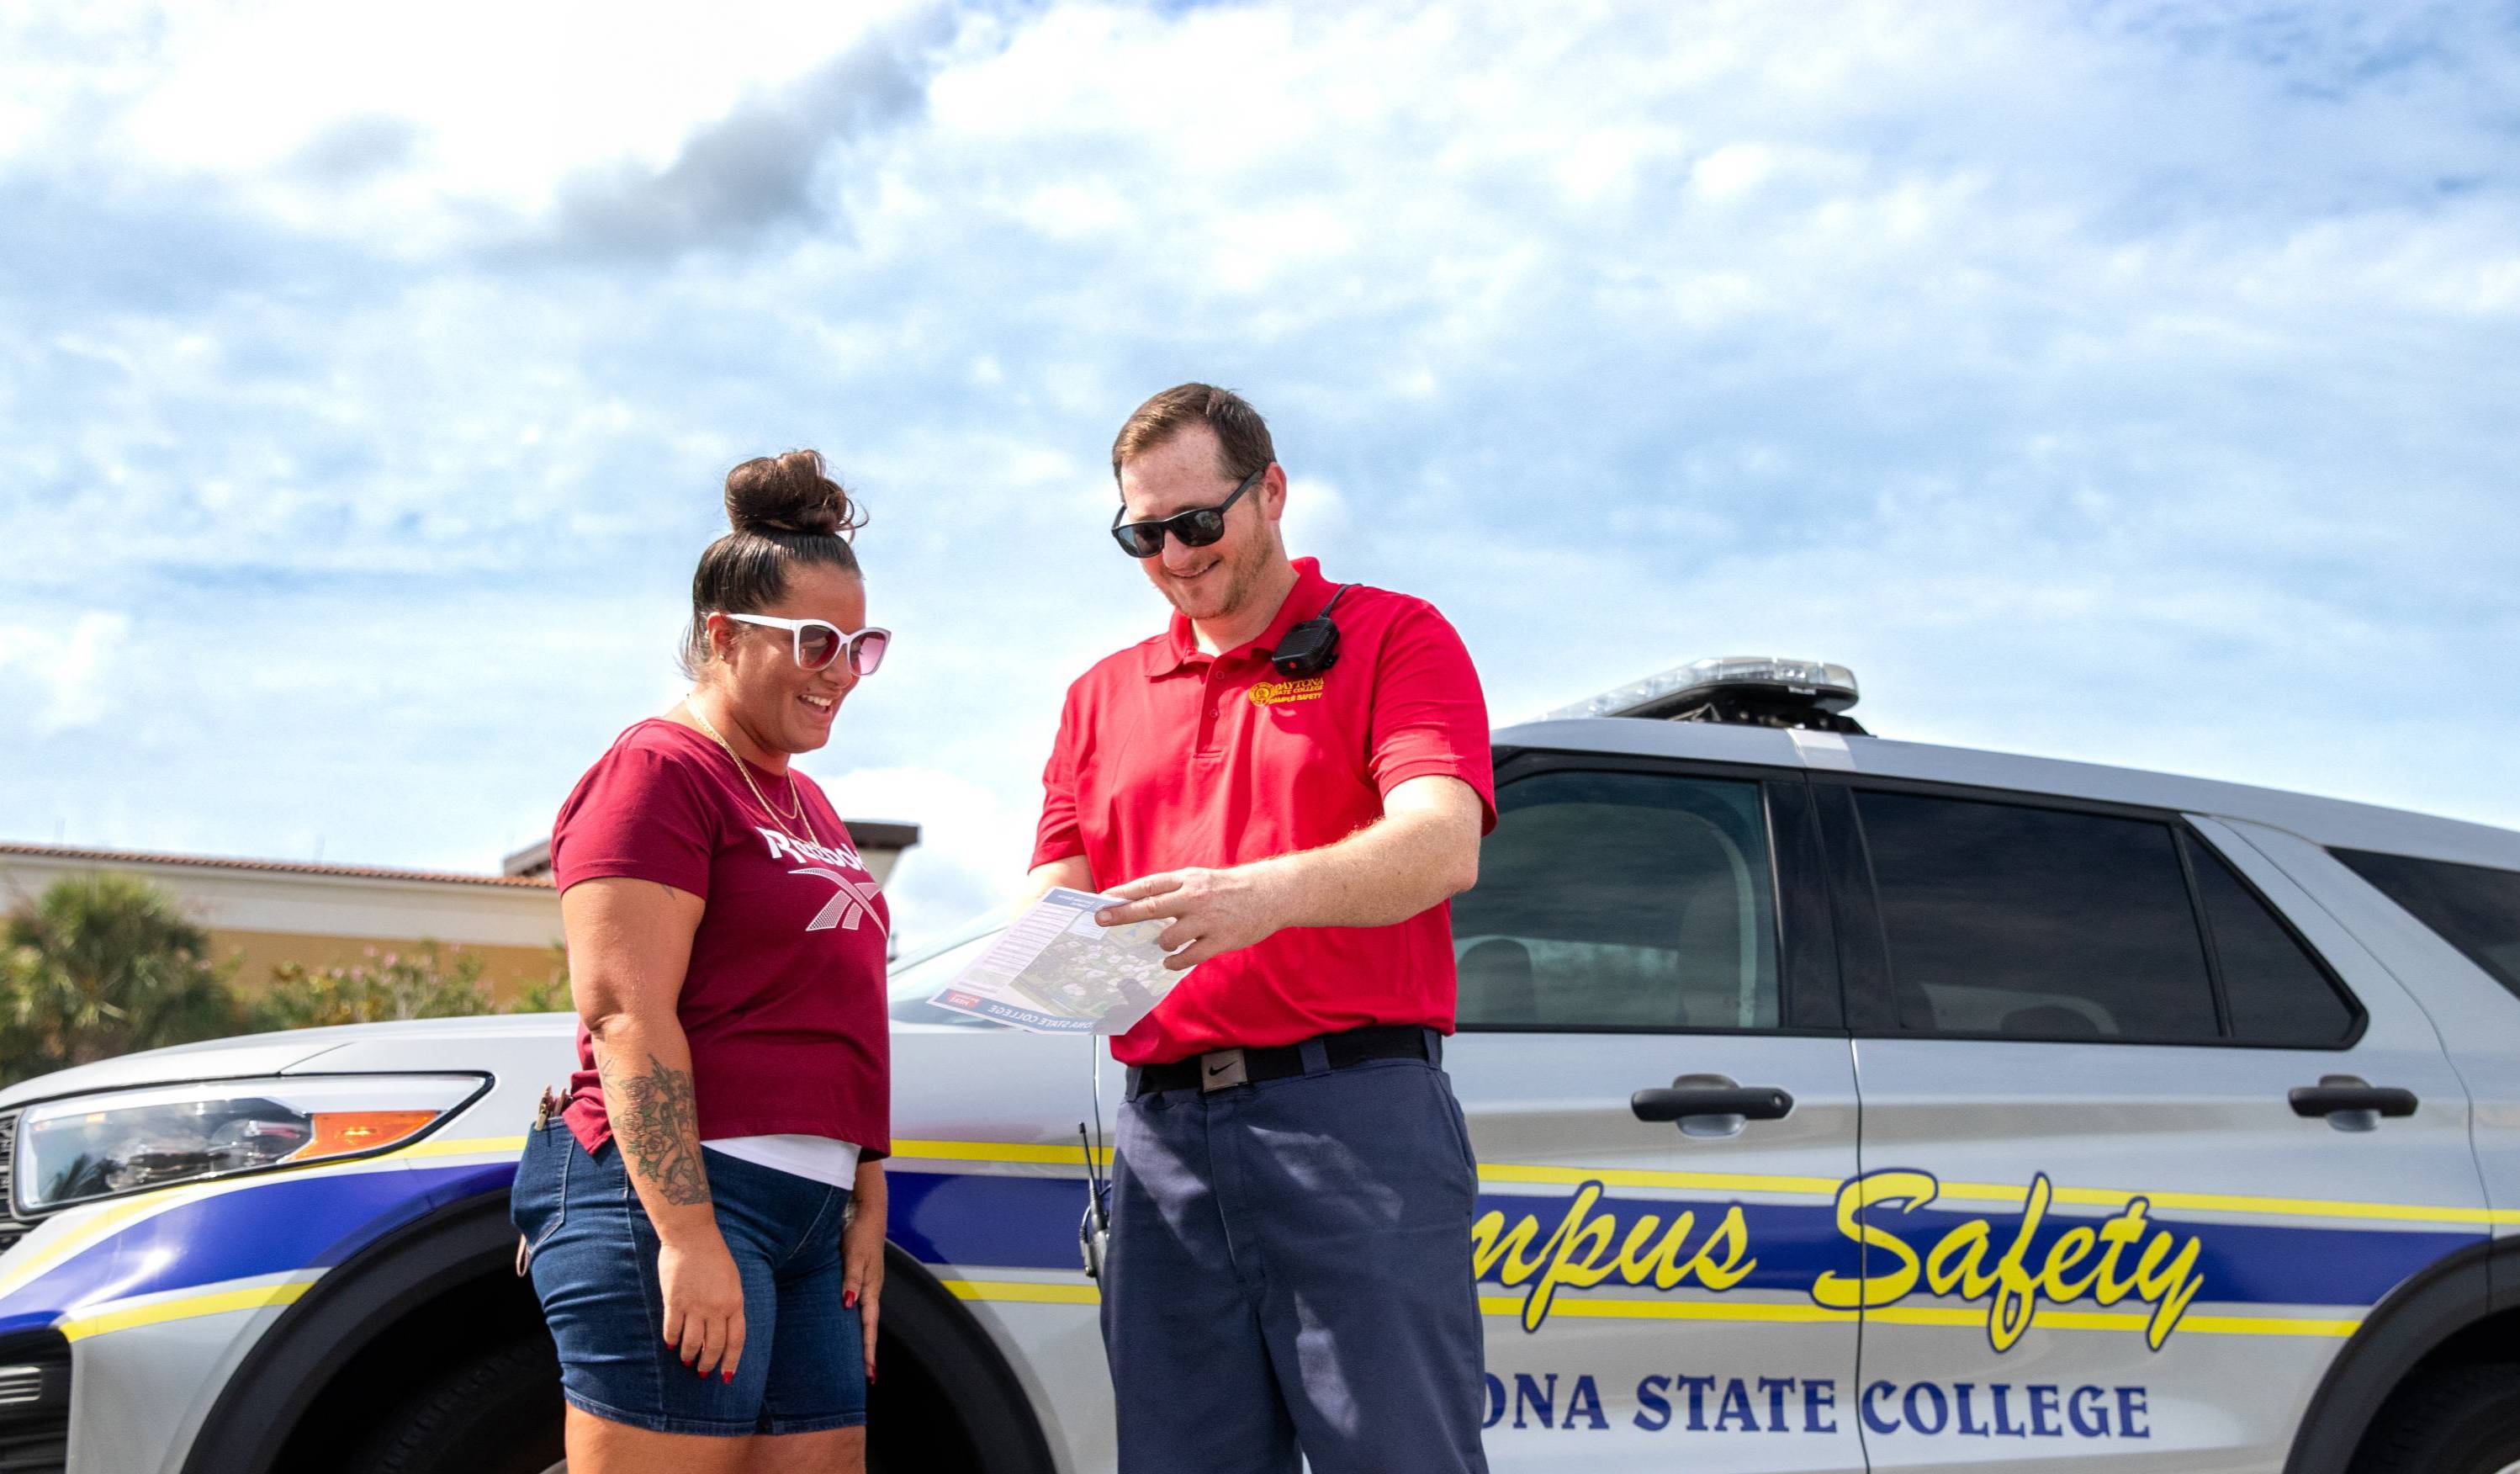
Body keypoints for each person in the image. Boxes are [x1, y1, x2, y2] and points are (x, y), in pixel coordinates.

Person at [1030, 384, 1496, 1474]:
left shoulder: (1396, 636)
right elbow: (1058, 898)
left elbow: (1442, 843)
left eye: (1199, 522)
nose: (1176, 555)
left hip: (1354, 1122)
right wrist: (1009, 975)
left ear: (1272, 491)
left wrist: (1260, 898)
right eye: (1143, 535)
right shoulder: (1099, 696)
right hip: (1162, 1146)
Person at [511, 450, 894, 1473]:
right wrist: (684, 1235)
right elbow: (624, 1016)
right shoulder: (655, 773)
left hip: (808, 1223)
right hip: (685, 1199)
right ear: (722, 635)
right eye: (816, 640)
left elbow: (834, 1009)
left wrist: (865, 1192)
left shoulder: (805, 801)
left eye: (861, 646)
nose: (841, 670)